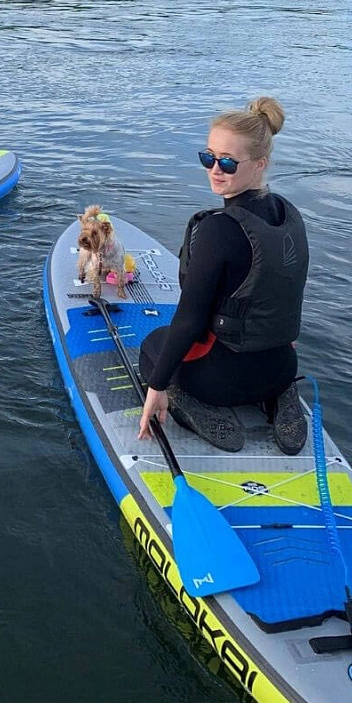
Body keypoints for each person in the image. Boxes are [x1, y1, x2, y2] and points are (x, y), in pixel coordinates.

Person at [137, 97, 309, 455]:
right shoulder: (288, 215)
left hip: (222, 382)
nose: (215, 169)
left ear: (260, 164)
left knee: (154, 345)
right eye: (208, 157)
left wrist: (157, 387)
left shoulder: (219, 230)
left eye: (228, 162)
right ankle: (280, 396)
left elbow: (188, 320)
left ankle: (190, 405)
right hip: (282, 366)